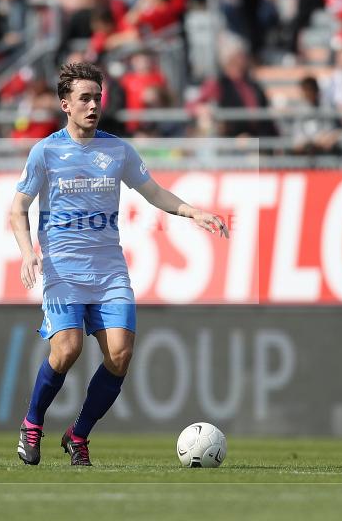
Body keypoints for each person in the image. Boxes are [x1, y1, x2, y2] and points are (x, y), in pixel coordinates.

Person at [12, 62, 229, 466]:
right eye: (84, 98)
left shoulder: (118, 150)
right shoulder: (45, 152)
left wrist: (192, 212)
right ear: (65, 104)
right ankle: (32, 423)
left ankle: (78, 435)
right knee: (68, 349)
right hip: (63, 270)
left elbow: (154, 192)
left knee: (120, 354)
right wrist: (27, 251)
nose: (93, 105)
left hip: (110, 270)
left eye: (97, 97)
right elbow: (17, 210)